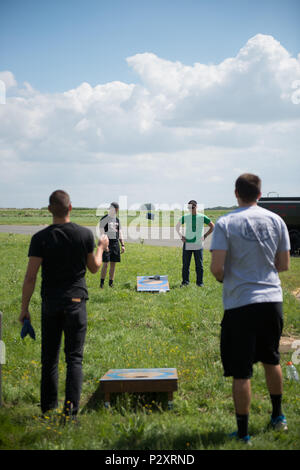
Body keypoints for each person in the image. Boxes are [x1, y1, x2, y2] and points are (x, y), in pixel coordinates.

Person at [210, 174, 290, 443]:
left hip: (240, 303)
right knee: (272, 358)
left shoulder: (226, 222)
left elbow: (217, 268)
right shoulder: (276, 220)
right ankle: (278, 417)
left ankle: (243, 433)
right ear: (260, 193)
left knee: (242, 370)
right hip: (272, 300)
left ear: (236, 193)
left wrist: (228, 278)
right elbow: (284, 264)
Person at [19, 190, 109, 420]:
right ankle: (70, 412)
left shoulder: (40, 238)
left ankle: (48, 409)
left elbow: (30, 277)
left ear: (50, 210)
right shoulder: (83, 234)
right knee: (74, 359)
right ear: (71, 208)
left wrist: (24, 308)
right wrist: (101, 246)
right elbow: (94, 267)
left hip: (51, 303)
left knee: (49, 358)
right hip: (77, 302)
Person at [176, 200, 214, 287]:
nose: (191, 209)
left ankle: (200, 283)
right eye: (189, 208)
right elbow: (177, 226)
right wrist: (181, 236)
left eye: (192, 207)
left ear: (196, 207)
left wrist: (205, 235)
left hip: (198, 244)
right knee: (186, 265)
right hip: (187, 244)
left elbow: (212, 226)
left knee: (199, 265)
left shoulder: (202, 217)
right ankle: (185, 283)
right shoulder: (186, 217)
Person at [99, 202, 125, 288]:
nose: (116, 212)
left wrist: (122, 244)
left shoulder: (117, 220)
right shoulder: (104, 219)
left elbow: (120, 232)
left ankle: (111, 283)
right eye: (115, 210)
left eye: (117, 211)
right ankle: (102, 283)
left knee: (113, 264)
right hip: (107, 243)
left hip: (115, 244)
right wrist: (105, 246)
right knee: (106, 264)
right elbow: (102, 233)